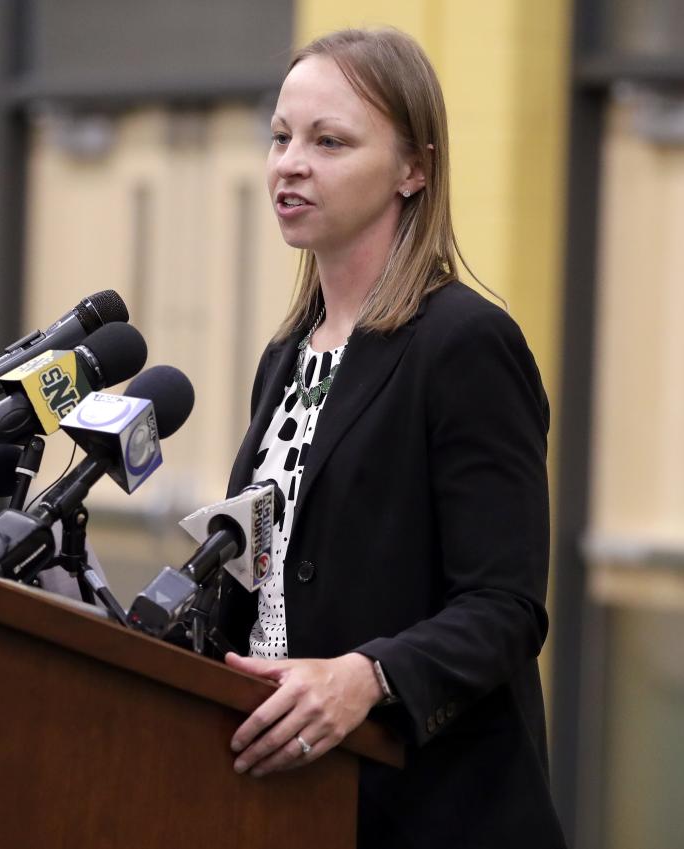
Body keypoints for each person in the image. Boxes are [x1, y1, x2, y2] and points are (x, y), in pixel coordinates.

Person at [214, 28, 567, 848]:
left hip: (434, 811)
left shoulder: (463, 343)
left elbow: (505, 606)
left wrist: (368, 676)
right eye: (280, 136)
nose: (290, 162)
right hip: (290, 801)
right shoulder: (286, 355)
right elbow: (264, 583)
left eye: (328, 141)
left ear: (414, 169)